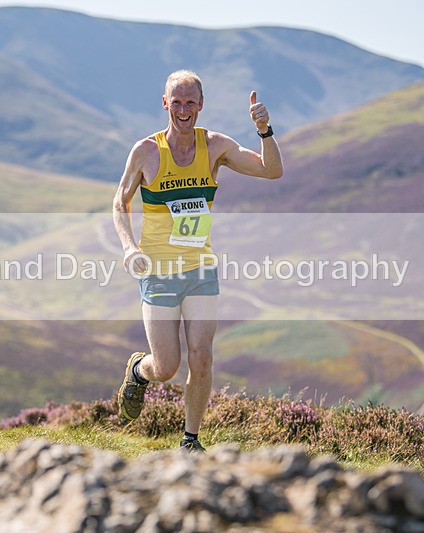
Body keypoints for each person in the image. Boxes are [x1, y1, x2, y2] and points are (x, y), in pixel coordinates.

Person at [112, 70, 283, 452]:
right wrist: (128, 247)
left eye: (191, 102)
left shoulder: (216, 147)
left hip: (200, 269)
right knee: (167, 367)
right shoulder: (147, 152)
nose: (184, 110)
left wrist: (265, 131)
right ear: (164, 104)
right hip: (158, 271)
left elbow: (272, 171)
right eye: (177, 102)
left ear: (201, 105)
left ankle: (190, 440)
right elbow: (119, 202)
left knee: (202, 356)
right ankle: (140, 372)